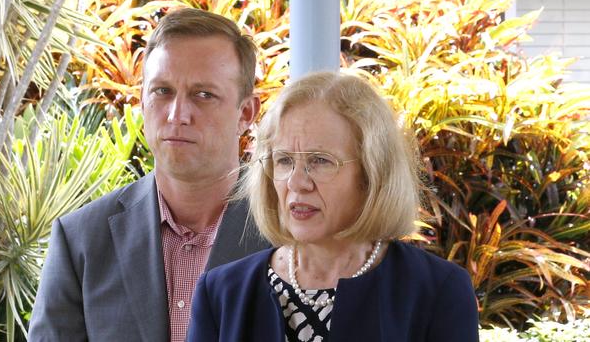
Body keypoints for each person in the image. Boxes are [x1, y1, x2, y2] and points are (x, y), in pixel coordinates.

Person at [28, 8, 269, 342]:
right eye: (162, 91)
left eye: (203, 95)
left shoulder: (288, 231)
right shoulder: (82, 240)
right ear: (141, 100)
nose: (178, 114)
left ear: (246, 113)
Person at [187, 71, 479, 341]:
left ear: (371, 174)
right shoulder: (221, 294)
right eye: (285, 160)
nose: (297, 183)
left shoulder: (439, 291)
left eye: (320, 161)